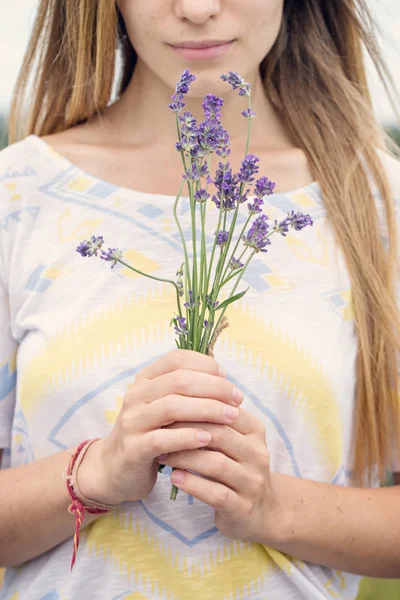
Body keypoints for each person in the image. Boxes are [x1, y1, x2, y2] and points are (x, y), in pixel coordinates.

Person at [1, 0, 400, 598]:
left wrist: (275, 507)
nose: (196, 8)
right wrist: (95, 473)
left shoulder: (379, 207)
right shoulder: (18, 200)